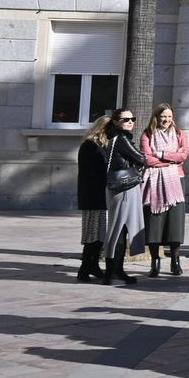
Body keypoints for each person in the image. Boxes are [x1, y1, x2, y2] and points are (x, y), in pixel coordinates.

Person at [139, 103, 189, 278]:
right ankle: (155, 262)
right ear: (156, 117)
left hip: (176, 181)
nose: (166, 120)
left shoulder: (180, 134)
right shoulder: (147, 134)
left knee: (175, 222)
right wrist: (170, 161)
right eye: (163, 116)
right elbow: (146, 159)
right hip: (153, 181)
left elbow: (183, 155)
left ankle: (175, 261)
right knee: (154, 221)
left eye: (169, 116)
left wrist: (159, 154)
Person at [102, 107, 146, 287]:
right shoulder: (121, 139)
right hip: (124, 189)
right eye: (125, 119)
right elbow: (141, 158)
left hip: (120, 188)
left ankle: (116, 270)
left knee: (120, 228)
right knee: (119, 229)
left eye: (132, 119)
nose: (130, 122)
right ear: (115, 122)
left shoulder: (115, 139)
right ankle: (112, 272)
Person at [75, 114, 113, 282]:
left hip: (101, 195)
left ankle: (94, 265)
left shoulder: (103, 145)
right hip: (92, 196)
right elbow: (93, 172)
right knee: (91, 235)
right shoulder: (90, 145)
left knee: (100, 235)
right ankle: (84, 268)